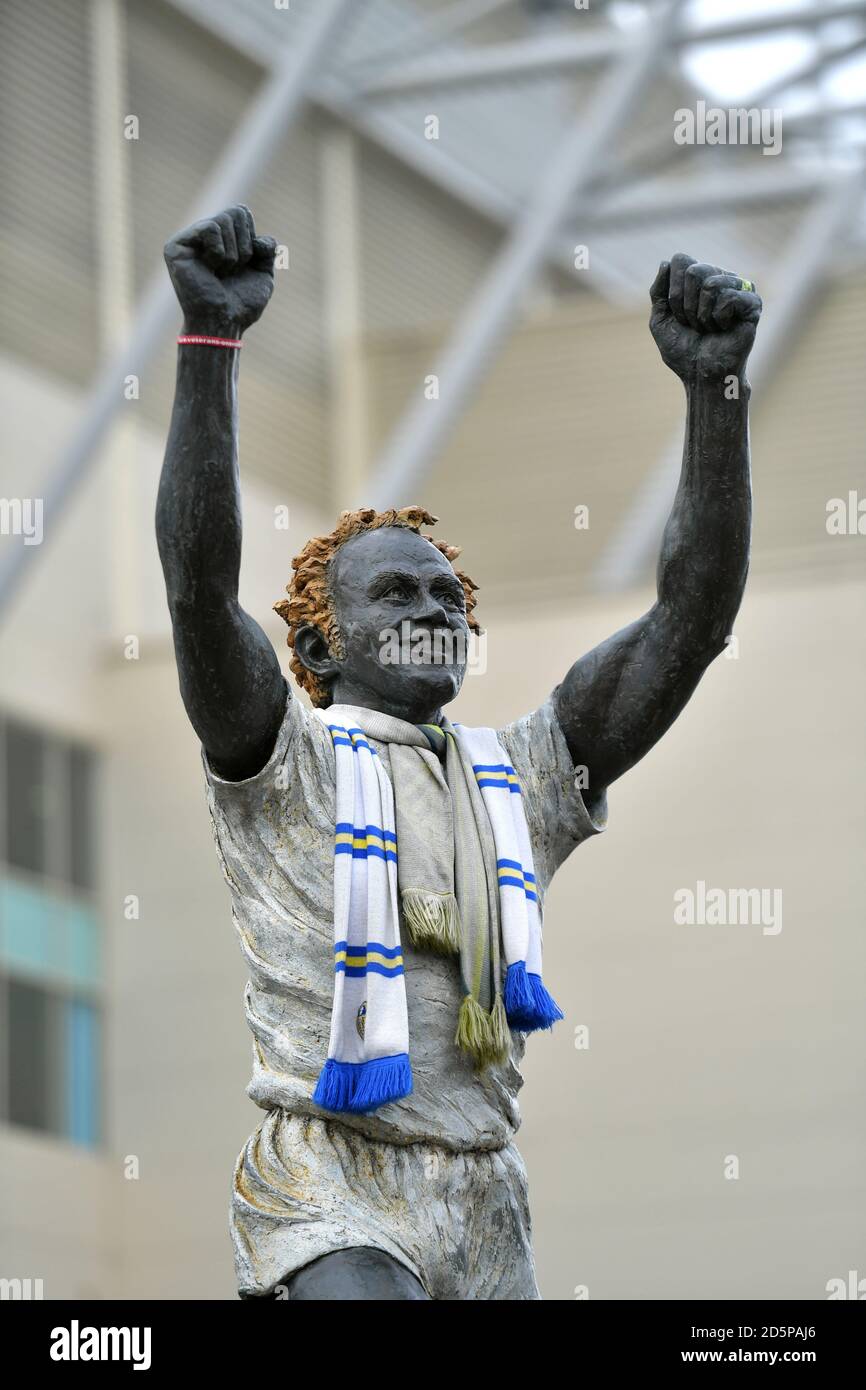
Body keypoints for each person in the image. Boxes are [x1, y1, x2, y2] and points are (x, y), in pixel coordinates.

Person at [156, 204, 761, 1300]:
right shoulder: (282, 755)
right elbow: (198, 588)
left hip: (483, 1186)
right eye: (393, 591)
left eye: (448, 594)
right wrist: (208, 342)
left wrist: (712, 395)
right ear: (313, 642)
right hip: (327, 1176)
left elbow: (691, 619)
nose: (431, 605)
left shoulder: (516, 775)